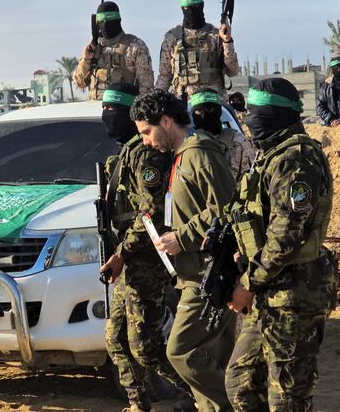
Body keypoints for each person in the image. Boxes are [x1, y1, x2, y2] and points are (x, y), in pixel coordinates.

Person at [225, 77, 337, 412]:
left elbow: (285, 235)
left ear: (274, 116)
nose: (248, 120)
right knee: (241, 383)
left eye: (256, 114)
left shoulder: (296, 159)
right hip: (268, 292)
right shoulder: (271, 156)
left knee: (287, 397)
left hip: (294, 295)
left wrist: (248, 283)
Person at [131, 89, 236, 412]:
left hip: (208, 276)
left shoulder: (200, 154)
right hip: (193, 272)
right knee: (213, 354)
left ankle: (243, 400)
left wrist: (183, 237)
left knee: (180, 350)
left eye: (147, 132)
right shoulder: (182, 157)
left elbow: (227, 207)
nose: (146, 142)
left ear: (165, 120)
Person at [100, 83, 190, 412]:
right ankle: (139, 403)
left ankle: (199, 396)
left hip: (146, 257)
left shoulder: (148, 152)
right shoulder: (128, 151)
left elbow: (149, 214)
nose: (107, 118)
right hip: (129, 256)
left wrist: (121, 253)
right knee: (116, 338)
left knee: (146, 348)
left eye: (113, 111)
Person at [155, 0, 238, 100]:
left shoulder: (216, 36)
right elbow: (165, 76)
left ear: (202, 7)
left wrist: (227, 41)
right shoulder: (172, 38)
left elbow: (233, 71)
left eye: (196, 8)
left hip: (214, 102)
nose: (192, 12)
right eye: (188, 8)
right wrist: (156, 98)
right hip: (183, 104)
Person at [73, 1, 154, 100]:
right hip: (93, 109)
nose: (106, 24)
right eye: (102, 21)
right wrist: (86, 60)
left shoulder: (135, 46)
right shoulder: (94, 48)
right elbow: (79, 82)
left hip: (124, 109)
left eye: (110, 20)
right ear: (97, 24)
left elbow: (146, 87)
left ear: (119, 20)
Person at [190, 88, 255, 181]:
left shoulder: (239, 142)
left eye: (211, 109)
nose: (205, 115)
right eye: (199, 111)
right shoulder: (187, 145)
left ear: (219, 111)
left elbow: (251, 182)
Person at [317, 55, 340, 127]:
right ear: (332, 69)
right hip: (331, 126)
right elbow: (320, 107)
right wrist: (331, 119)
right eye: (336, 67)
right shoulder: (325, 86)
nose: (338, 70)